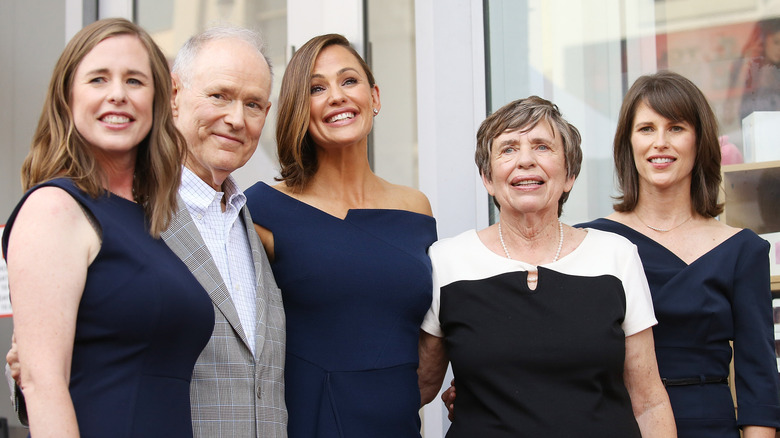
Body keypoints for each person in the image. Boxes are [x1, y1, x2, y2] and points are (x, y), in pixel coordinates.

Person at [6, 26, 288, 437]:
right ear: (173, 96)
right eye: (219, 95)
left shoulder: (258, 225)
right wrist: (28, 373)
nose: (235, 118)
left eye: (254, 104)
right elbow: (43, 370)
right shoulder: (113, 210)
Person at [418, 96, 677, 437]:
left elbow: (649, 401)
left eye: (542, 147)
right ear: (487, 178)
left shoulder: (616, 256)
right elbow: (417, 388)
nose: (525, 160)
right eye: (508, 149)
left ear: (569, 174)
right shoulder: (446, 261)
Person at [243, 34, 437, 437]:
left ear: (375, 96)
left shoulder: (415, 208)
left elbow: (428, 331)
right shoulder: (260, 210)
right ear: (299, 109)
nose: (337, 96)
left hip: (398, 423)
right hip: (309, 422)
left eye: (349, 81)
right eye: (317, 88)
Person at [581, 71, 780, 437]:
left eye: (675, 128)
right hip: (616, 424)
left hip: (710, 426)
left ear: (699, 141)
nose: (660, 143)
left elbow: (760, 385)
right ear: (628, 143)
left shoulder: (742, 250)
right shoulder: (591, 242)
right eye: (646, 129)